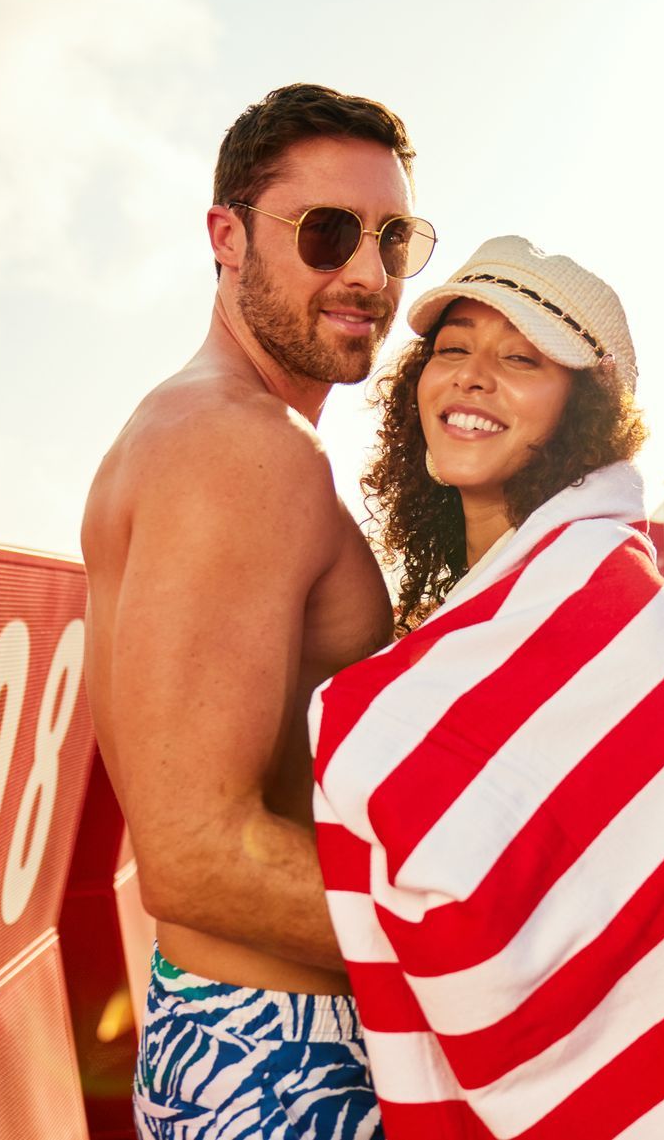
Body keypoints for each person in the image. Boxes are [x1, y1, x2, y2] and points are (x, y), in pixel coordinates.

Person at [309, 236, 664, 1139]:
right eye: (452, 347)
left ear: (582, 413)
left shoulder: (609, 595)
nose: (472, 377)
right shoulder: (484, 612)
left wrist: (356, 724)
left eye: (521, 358)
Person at [81, 83, 436, 1138]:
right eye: (327, 234)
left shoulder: (203, 426)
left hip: (246, 1040)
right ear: (227, 236)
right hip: (282, 1055)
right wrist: (488, 946)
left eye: (394, 239)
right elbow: (194, 852)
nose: (367, 274)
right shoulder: (239, 448)